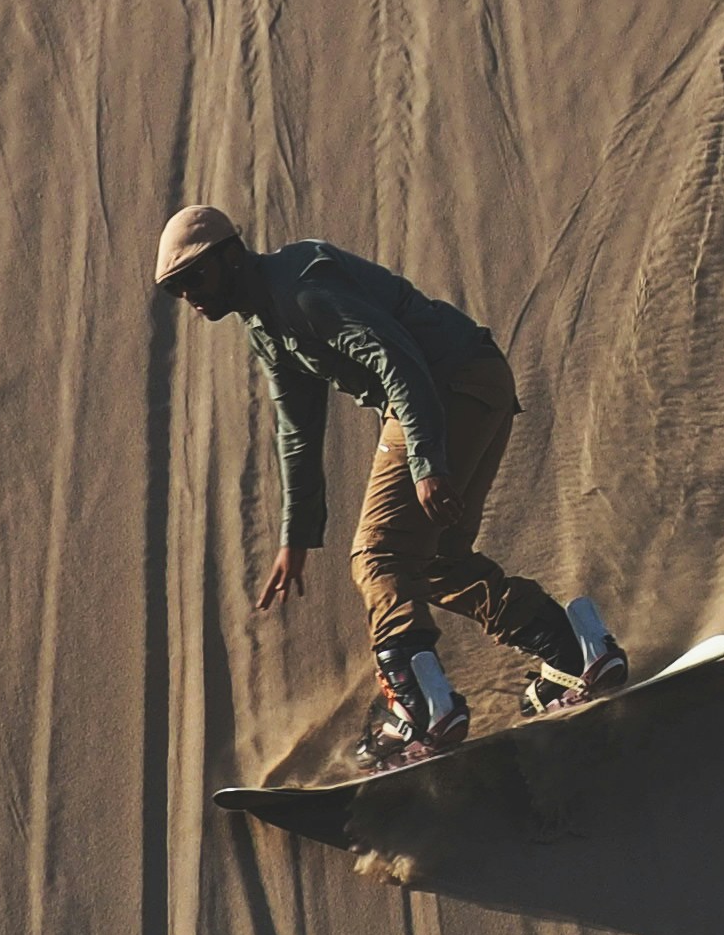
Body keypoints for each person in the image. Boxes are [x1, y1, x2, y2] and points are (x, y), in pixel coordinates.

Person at [154, 203, 622, 767]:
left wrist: (426, 463)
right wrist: (296, 535)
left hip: (439, 384)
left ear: (231, 255)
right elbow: (297, 429)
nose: (191, 295)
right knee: (436, 561)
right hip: (474, 380)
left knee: (378, 557)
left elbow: (397, 361)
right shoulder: (264, 322)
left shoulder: (300, 289)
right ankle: (572, 650)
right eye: (178, 288)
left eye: (194, 277)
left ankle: (423, 710)